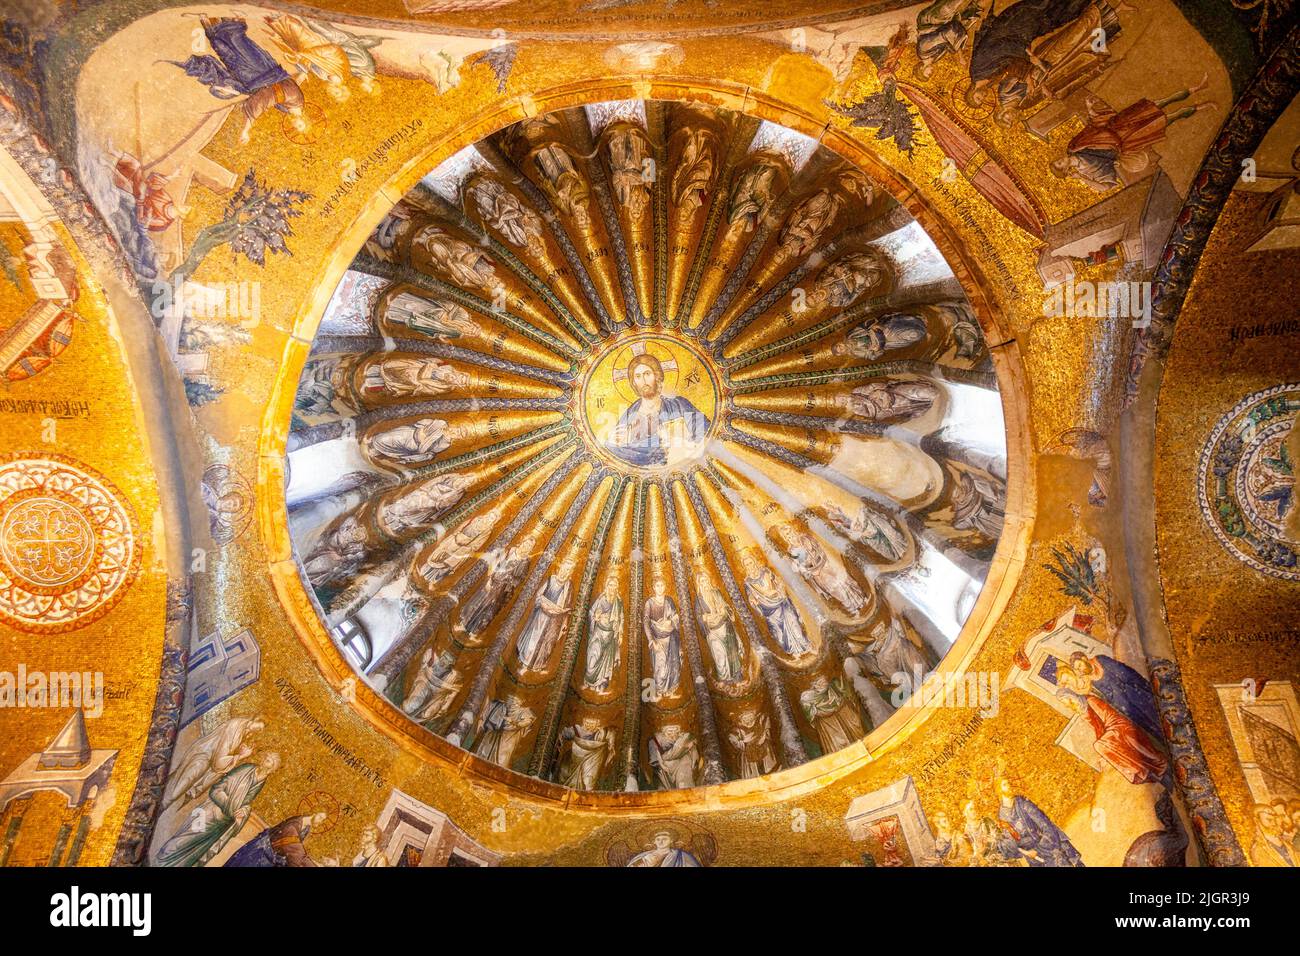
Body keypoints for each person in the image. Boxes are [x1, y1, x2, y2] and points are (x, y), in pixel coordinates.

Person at [156, 751, 280, 867]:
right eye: (266, 759)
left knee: (197, 851)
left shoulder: (261, 782)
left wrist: (244, 811)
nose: (265, 762)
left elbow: (245, 803)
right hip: (211, 812)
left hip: (222, 824)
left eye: (269, 761)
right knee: (184, 840)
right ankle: (159, 862)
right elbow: (217, 789)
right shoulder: (246, 769)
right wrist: (232, 809)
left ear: (273, 769)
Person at [604, 353, 710, 467]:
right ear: (633, 382)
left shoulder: (679, 405)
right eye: (638, 376)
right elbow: (616, 453)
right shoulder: (629, 416)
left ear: (657, 376)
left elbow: (706, 435)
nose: (643, 380)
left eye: (647, 374)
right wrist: (612, 443)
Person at [995, 777, 1084, 866]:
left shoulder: (1023, 803)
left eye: (1009, 783)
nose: (1009, 786)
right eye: (1005, 785)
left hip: (1048, 845)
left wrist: (1041, 848)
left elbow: (1046, 826)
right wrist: (1027, 853)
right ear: (999, 790)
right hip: (1034, 858)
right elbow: (1012, 842)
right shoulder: (1002, 815)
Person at [741, 552, 811, 656]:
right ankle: (792, 652)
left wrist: (780, 592)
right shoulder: (748, 582)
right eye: (746, 565)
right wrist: (753, 600)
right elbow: (750, 597)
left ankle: (804, 646)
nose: (749, 566)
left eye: (750, 563)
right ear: (744, 567)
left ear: (754, 562)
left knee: (793, 623)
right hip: (768, 610)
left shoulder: (765, 571)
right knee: (779, 633)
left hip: (781, 602)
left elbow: (778, 582)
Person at [516, 557, 576, 672]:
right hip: (541, 617)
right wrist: (545, 604)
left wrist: (565, 622)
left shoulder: (569, 587)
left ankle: (538, 665)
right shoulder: (551, 580)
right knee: (533, 640)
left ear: (571, 573)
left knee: (548, 644)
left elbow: (568, 608)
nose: (565, 572)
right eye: (564, 569)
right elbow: (538, 596)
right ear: (559, 568)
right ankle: (525, 663)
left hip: (555, 622)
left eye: (568, 570)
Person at [224, 811, 333, 867]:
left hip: (271, 858)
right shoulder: (293, 826)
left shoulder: (306, 827)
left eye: (323, 820)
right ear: (314, 812)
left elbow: (297, 851)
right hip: (259, 854)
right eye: (320, 817)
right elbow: (296, 852)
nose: (320, 821)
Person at [800, 675, 866, 754]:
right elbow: (810, 712)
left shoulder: (832, 687)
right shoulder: (807, 696)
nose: (824, 683)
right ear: (815, 684)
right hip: (827, 723)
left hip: (844, 713)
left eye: (824, 681)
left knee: (857, 734)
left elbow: (844, 695)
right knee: (836, 745)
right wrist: (821, 708)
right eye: (821, 682)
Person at [695, 579, 744, 683]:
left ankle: (737, 676)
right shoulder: (699, 599)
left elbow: (725, 606)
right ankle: (725, 679)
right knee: (719, 656)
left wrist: (725, 610)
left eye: (707, 581)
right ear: (699, 584)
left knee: (732, 652)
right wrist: (705, 618)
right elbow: (699, 616)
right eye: (703, 582)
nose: (706, 584)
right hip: (713, 632)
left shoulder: (716, 593)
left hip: (725, 625)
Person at [643, 577, 683, 696]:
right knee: (660, 668)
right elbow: (646, 622)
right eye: (657, 586)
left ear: (665, 587)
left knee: (673, 665)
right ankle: (660, 691)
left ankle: (670, 691)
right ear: (653, 588)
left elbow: (676, 619)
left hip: (671, 638)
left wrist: (670, 622)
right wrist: (651, 640)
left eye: (662, 585)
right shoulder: (649, 603)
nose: (660, 588)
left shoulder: (669, 601)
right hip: (658, 639)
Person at [583, 577, 624, 691]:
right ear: (607, 586)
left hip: (610, 635)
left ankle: (600, 686)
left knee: (606, 662)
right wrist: (596, 617)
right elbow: (591, 612)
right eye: (610, 585)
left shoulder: (618, 602)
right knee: (592, 657)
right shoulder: (601, 599)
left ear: (617, 587)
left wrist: (620, 634)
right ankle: (589, 681)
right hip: (598, 633)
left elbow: (621, 618)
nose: (612, 587)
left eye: (614, 585)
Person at [627, 829, 702, 867]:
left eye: (665, 839)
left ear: (671, 841)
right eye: (658, 839)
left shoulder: (682, 856)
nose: (661, 842)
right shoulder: (644, 856)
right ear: (654, 842)